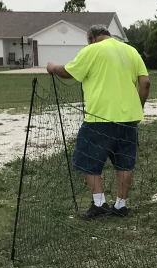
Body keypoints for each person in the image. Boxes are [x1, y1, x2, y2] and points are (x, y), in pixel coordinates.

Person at [47, 26, 150, 219]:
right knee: (124, 163)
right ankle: (121, 205)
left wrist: (52, 68)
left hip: (99, 118)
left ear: (92, 38)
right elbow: (145, 83)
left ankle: (99, 203)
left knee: (86, 159)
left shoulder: (92, 50)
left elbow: (68, 72)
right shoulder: (131, 51)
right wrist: (139, 108)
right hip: (128, 119)